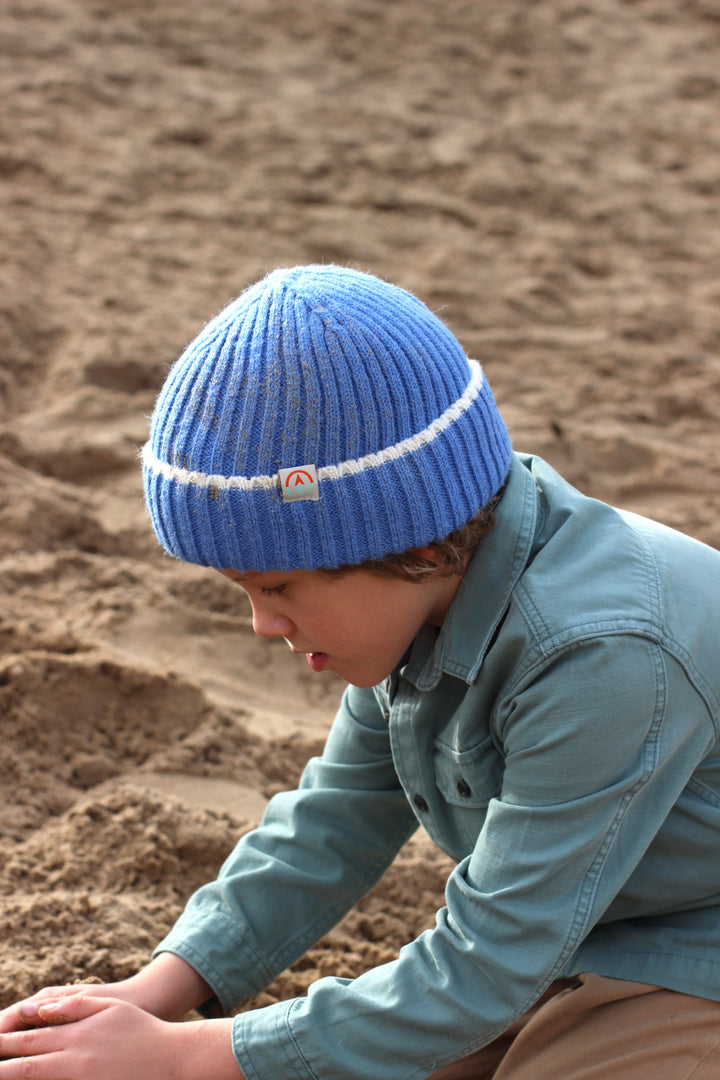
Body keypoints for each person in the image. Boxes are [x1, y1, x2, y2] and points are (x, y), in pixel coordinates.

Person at [1, 264, 720, 1080]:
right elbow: (333, 822)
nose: (261, 623)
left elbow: (487, 961)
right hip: (574, 931)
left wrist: (179, 1060)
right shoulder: (424, 594)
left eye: (277, 586)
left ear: (411, 543)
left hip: (694, 945)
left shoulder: (599, 653)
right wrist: (160, 995)